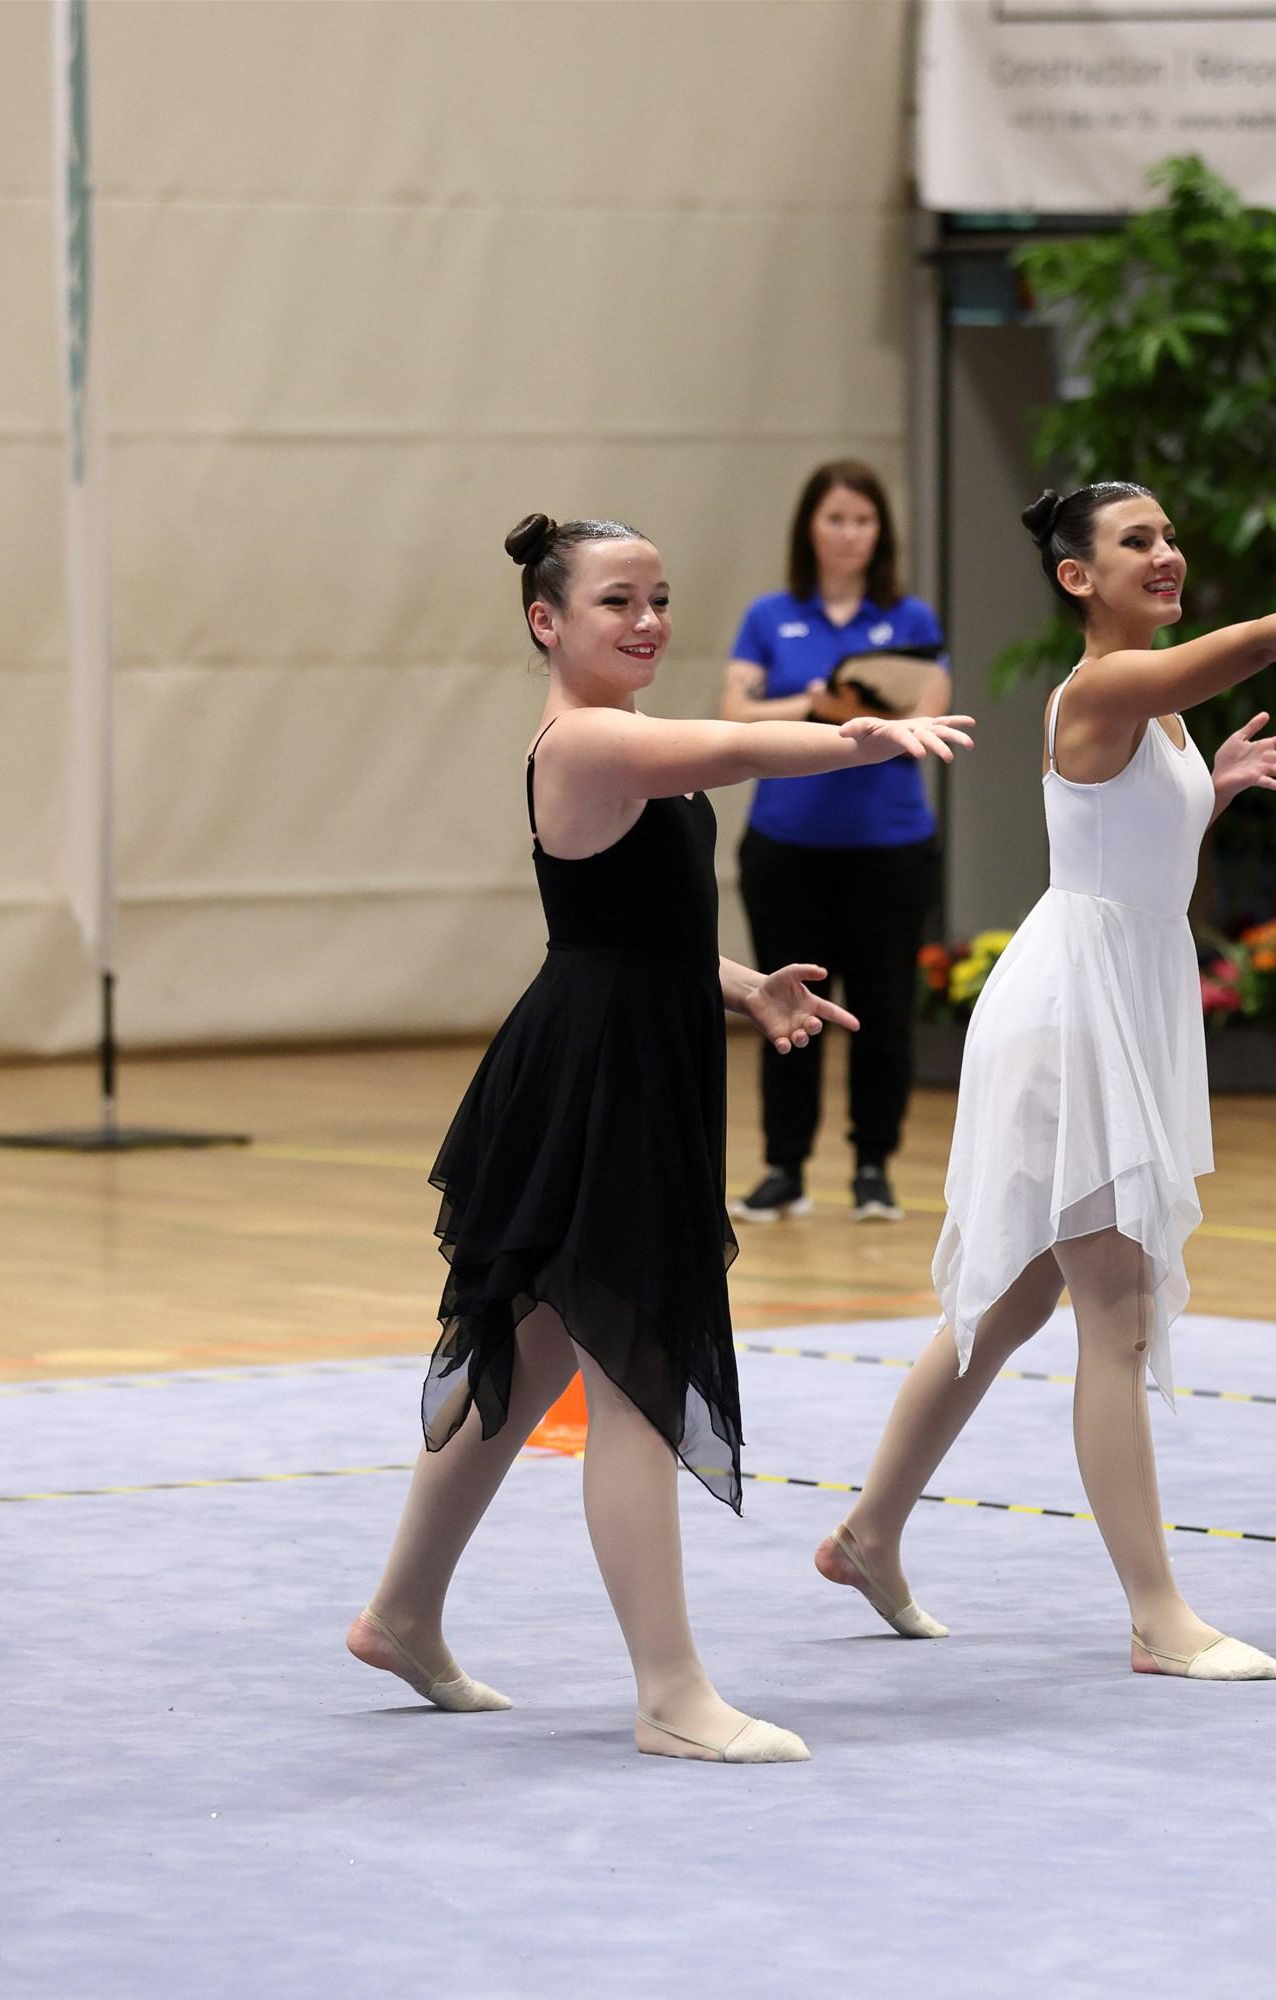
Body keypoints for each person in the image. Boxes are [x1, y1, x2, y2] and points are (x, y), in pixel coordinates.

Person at [814, 481, 1276, 1679]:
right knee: (1115, 1314)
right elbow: (1252, 644)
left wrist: (1205, 789)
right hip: (1073, 1020)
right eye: (1138, 541)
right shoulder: (1108, 685)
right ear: (1079, 576)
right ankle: (1157, 1615)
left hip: (1111, 1000)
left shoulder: (1153, 707)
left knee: (1008, 1303)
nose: (1167, 553)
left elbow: (1128, 847)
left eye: (1170, 536)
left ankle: (867, 1533)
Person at [348, 513, 972, 1765]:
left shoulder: (624, 738)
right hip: (599, 1074)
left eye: (660, 599)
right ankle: (670, 1690)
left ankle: (401, 1613)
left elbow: (631, 922)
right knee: (634, 1377)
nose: (647, 621)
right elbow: (735, 745)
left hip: (627, 1047)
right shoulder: (587, 737)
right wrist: (854, 736)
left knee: (527, 1357)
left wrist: (740, 984)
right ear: (546, 622)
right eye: (616, 602)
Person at [719, 461, 953, 1225]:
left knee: (883, 1012)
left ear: (881, 532)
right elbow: (736, 712)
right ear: (809, 529)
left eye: (863, 519)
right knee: (784, 1002)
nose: (850, 533)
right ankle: (784, 1168)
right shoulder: (769, 616)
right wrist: (819, 704)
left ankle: (873, 1168)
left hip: (889, 847)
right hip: (786, 847)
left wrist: (866, 710)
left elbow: (931, 709)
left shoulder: (909, 619)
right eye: (836, 518)